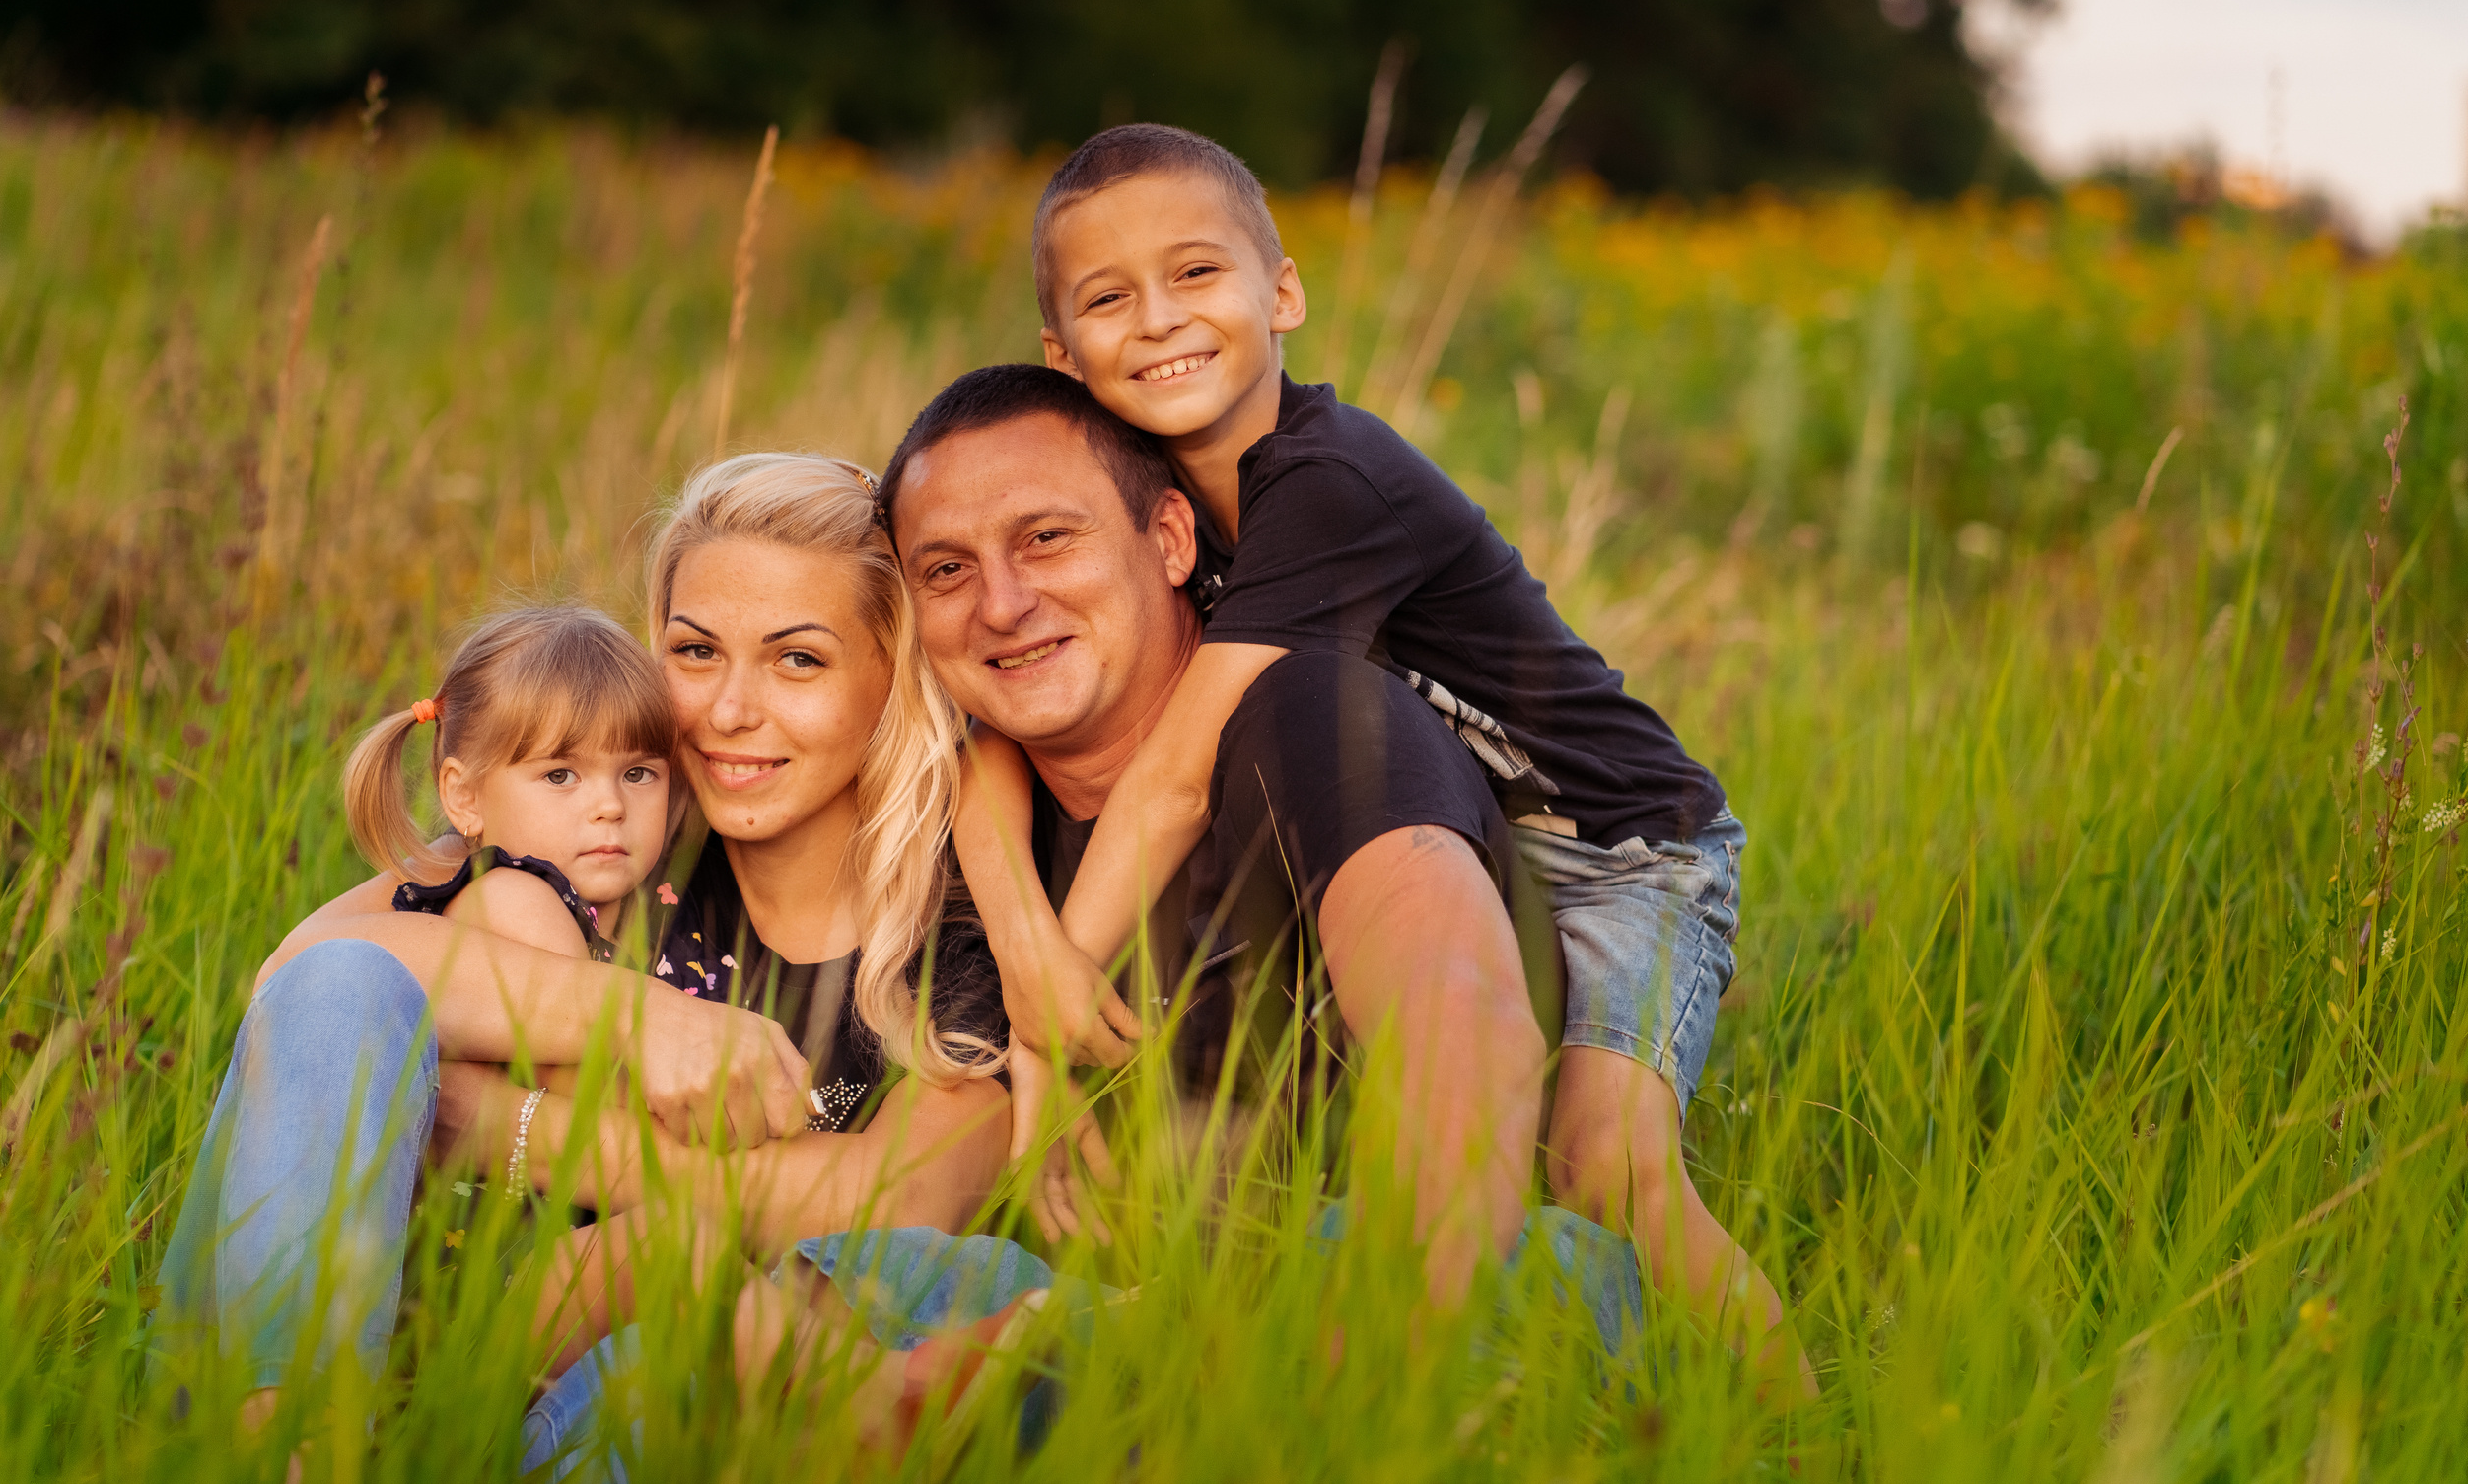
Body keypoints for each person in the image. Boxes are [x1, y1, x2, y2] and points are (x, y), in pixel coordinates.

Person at [947, 122, 1812, 1390]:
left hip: (1628, 853)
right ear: (1060, 353)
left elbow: (1183, 775)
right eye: (1107, 297)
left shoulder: (1330, 482)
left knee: (1604, 1164)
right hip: (1482, 836)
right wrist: (1026, 943)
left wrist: (1050, 1010)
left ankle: (1791, 1421)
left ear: (1282, 292)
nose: (1157, 321)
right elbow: (983, 745)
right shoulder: (1152, 502)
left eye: (1196, 274)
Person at [154, 454, 1012, 1460]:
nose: (730, 711)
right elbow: (311, 983)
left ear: (890, 677)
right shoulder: (617, 828)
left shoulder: (949, 929)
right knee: (350, 987)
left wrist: (490, 1121)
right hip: (373, 1353)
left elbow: (901, 1197)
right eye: (695, 654)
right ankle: (285, 1443)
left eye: (798, 661)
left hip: (601, 1381)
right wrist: (647, 1021)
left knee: (853, 1287)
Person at [879, 364, 1549, 1307]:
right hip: (1111, 1315)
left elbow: (1461, 1029)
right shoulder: (947, 821)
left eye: (1047, 539)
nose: (1001, 603)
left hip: (1407, 1287)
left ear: (1170, 539)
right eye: (947, 568)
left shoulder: (1318, 720)